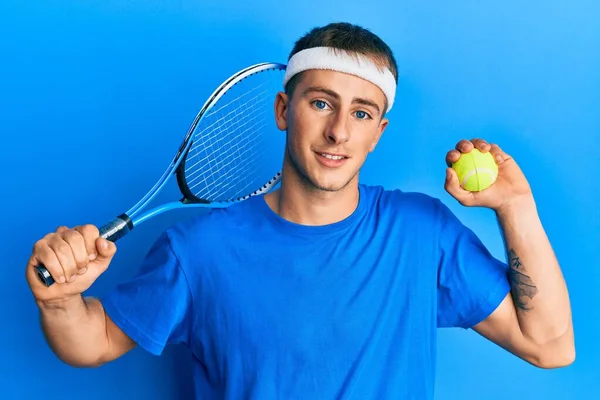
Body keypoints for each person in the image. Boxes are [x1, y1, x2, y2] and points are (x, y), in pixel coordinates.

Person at [26, 22, 575, 399]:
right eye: (321, 103)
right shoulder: (198, 250)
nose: (338, 130)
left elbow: (549, 346)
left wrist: (516, 206)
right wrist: (60, 302)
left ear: (378, 134)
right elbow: (92, 343)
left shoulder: (421, 232)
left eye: (361, 113)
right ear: (283, 109)